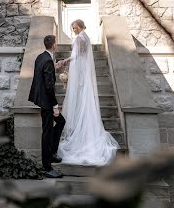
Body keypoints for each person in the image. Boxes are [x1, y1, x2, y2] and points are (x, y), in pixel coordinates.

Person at [57, 19, 119, 166]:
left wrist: (65, 61)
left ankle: (81, 139)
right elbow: (82, 56)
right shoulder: (86, 37)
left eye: (74, 28)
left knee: (81, 103)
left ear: (78, 26)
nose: (73, 30)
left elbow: (77, 56)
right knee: (86, 104)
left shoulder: (80, 38)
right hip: (84, 73)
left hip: (81, 72)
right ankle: (89, 136)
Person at [28, 34, 65, 178]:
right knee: (47, 133)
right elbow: (49, 86)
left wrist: (55, 65)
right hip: (47, 102)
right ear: (54, 45)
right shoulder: (47, 60)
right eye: (57, 43)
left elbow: (44, 71)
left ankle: (52, 153)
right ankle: (47, 167)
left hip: (42, 99)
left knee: (60, 122)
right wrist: (55, 105)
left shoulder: (41, 57)